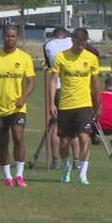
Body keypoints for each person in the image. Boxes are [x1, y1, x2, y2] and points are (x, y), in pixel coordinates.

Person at [48, 27, 100, 185]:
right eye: (78, 44)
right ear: (72, 41)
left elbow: (95, 82)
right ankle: (66, 167)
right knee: (64, 143)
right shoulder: (61, 58)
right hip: (65, 105)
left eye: (83, 44)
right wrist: (51, 103)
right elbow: (53, 81)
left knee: (85, 138)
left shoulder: (91, 58)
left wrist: (98, 102)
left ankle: (83, 173)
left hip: (84, 105)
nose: (80, 47)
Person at [0, 25, 37, 187]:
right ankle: (7, 177)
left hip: (17, 108)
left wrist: (23, 97)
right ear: (3, 37)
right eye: (7, 36)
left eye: (13, 36)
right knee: (3, 142)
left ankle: (19, 175)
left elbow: (31, 82)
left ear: (17, 38)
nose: (10, 39)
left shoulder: (24, 58)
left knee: (18, 137)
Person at [43, 27, 72, 169]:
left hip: (57, 88)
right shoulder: (72, 41)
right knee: (75, 126)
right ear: (66, 35)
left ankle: (55, 160)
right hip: (72, 88)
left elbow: (49, 65)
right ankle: (77, 161)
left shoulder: (48, 45)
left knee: (55, 125)